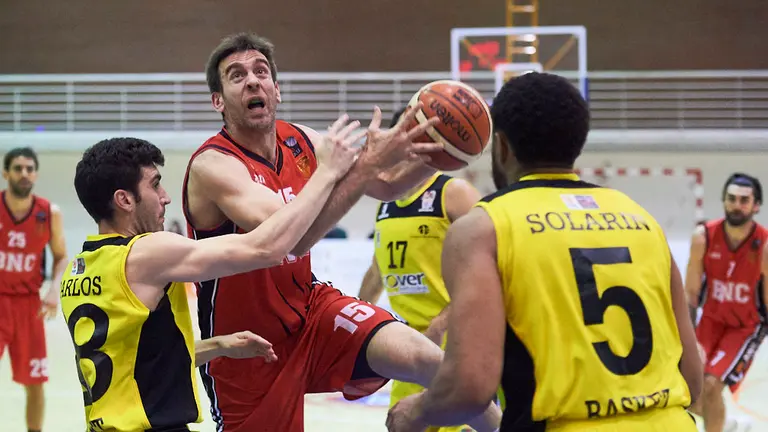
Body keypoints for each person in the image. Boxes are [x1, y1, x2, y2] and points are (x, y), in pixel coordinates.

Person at [183, 32, 502, 431]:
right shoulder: (213, 164)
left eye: (261, 72)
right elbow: (287, 243)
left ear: (276, 91)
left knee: (433, 362)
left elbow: (387, 184)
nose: (252, 81)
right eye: (236, 75)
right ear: (218, 101)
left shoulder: (302, 140)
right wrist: (348, 169)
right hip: (246, 344)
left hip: (311, 310)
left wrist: (436, 148)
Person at [386, 72, 703, 431]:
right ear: (577, 143)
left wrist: (416, 411)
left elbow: (470, 387)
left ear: (502, 146)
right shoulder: (641, 218)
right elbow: (693, 381)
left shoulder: (484, 227)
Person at [60, 132, 359, 432]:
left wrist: (218, 345)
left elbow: (137, 361)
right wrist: (328, 174)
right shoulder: (145, 253)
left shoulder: (80, 269)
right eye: (155, 184)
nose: (165, 196)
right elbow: (266, 248)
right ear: (124, 200)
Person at [358, 108, 483, 432]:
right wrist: (356, 324)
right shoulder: (385, 200)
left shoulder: (453, 193)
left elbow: (491, 269)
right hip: (410, 346)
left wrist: (441, 325)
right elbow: (377, 271)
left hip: (456, 344)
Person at [685, 173, 767, 432]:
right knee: (687, 390)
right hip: (710, 321)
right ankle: (725, 423)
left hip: (745, 326)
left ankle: (717, 425)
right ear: (723, 201)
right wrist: (689, 339)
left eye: (744, 200)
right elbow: (690, 293)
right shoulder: (703, 237)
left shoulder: (764, 245)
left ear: (756, 206)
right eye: (731, 199)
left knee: (711, 385)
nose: (737, 205)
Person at [0, 147, 68, 432]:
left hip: (29, 305)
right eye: (17, 168)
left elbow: (61, 256)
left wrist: (54, 290)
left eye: (29, 168)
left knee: (35, 381)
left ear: (36, 173)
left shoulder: (48, 212)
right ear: (6, 173)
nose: (24, 173)